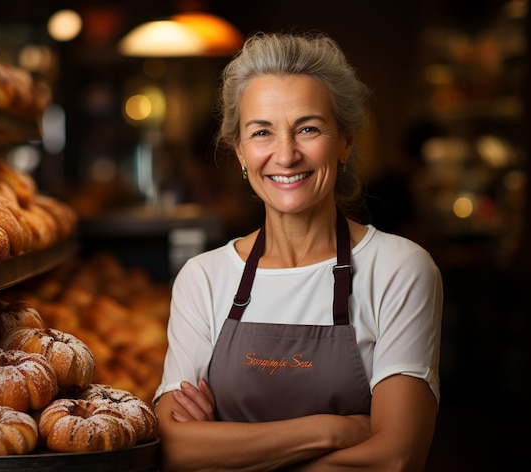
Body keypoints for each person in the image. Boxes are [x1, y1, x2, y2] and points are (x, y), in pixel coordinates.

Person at [153, 31, 443, 471]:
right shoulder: (204, 278)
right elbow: (175, 449)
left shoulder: (399, 269)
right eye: (262, 132)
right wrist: (333, 430)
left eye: (308, 128)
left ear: (345, 142)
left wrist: (228, 450)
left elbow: (396, 458)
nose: (286, 155)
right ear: (240, 153)